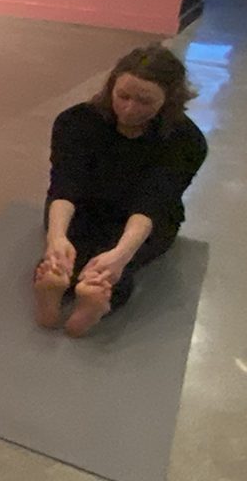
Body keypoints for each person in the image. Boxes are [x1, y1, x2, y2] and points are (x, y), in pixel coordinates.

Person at [35, 46, 207, 337]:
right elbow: (65, 185)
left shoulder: (186, 141)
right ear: (111, 86)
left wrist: (122, 254)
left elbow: (154, 202)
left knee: (110, 269)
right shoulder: (75, 122)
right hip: (83, 206)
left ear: (168, 101)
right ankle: (56, 286)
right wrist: (56, 238)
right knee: (63, 257)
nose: (129, 109)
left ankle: (93, 300)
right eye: (123, 96)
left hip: (145, 220)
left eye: (144, 102)